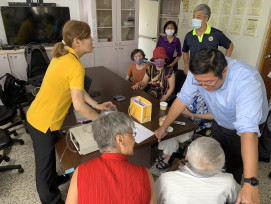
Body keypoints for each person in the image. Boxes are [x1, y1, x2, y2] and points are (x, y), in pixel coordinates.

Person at [155, 48, 268, 204]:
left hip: (242, 127)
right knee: (215, 158)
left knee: (234, 163)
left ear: (224, 71)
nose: (204, 87)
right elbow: (182, 99)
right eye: (200, 83)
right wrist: (163, 127)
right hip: (219, 119)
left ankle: (231, 191)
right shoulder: (198, 73)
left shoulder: (247, 81)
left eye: (208, 83)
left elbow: (248, 131)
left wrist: (251, 184)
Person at [26, 20, 115, 204]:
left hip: (39, 115)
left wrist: (96, 105)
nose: (92, 40)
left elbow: (78, 88)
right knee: (43, 169)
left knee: (48, 160)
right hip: (42, 122)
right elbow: (79, 106)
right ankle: (51, 199)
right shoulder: (74, 64)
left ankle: (54, 180)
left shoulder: (64, 56)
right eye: (88, 36)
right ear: (77, 41)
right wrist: (101, 120)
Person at [66, 112, 156, 204]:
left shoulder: (80, 172)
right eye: (132, 134)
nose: (133, 139)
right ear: (120, 140)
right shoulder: (145, 175)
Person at [155, 137, 241, 204]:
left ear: (186, 157)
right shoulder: (229, 182)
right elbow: (238, 199)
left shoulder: (166, 179)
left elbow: (154, 200)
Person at [156, 92, 213, 170]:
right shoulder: (190, 89)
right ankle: (166, 152)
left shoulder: (208, 96)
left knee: (173, 133)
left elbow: (209, 117)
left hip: (195, 125)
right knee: (166, 127)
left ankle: (167, 156)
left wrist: (190, 115)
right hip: (182, 119)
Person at [182, 4, 234, 75]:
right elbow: (185, 51)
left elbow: (230, 46)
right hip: (193, 71)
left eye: (198, 17)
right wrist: (186, 66)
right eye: (194, 16)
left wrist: (224, 62)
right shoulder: (189, 35)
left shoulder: (216, 34)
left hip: (210, 72)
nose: (194, 19)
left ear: (206, 19)